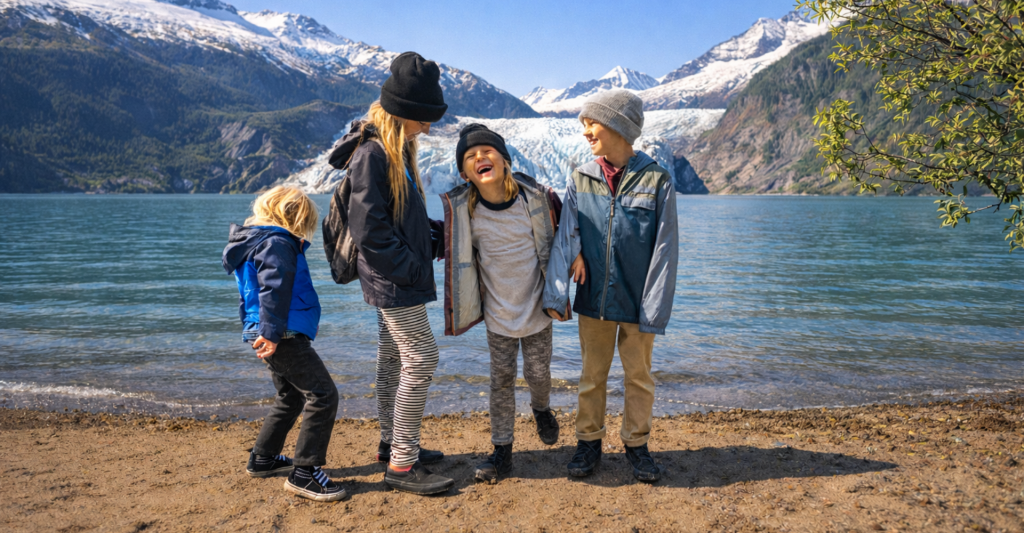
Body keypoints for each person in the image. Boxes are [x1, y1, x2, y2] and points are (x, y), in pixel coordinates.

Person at [325, 51, 453, 495]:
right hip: (394, 280)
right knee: (422, 357)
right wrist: (412, 268)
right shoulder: (374, 155)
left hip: (391, 276)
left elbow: (400, 219)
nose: (428, 128)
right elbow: (371, 231)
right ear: (404, 111)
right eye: (424, 118)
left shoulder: (394, 152)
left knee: (394, 359)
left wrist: (439, 236)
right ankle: (402, 463)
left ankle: (390, 444)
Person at [542, 89, 679, 483]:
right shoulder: (581, 177)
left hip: (637, 301)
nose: (586, 132)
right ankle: (588, 443)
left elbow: (666, 248)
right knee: (591, 376)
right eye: (584, 125)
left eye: (592, 124)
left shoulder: (657, 180)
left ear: (618, 125)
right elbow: (568, 231)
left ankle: (637, 445)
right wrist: (569, 268)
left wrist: (654, 308)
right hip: (593, 298)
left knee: (639, 378)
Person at [440, 124, 563, 484]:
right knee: (501, 382)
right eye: (470, 155)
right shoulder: (466, 211)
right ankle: (502, 451)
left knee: (538, 374)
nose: (480, 156)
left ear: (505, 160)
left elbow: (566, 233)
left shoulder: (534, 200)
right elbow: (449, 245)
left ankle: (541, 408)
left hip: (537, 310)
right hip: (498, 315)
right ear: (465, 174)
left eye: (488, 150)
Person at [221, 186, 346, 502]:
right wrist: (272, 332)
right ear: (294, 217)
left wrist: (258, 330)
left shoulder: (254, 242)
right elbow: (273, 290)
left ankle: (263, 458)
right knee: (323, 394)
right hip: (283, 333)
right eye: (304, 221)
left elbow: (250, 295)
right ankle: (305, 473)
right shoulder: (277, 242)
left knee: (291, 395)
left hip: (267, 330)